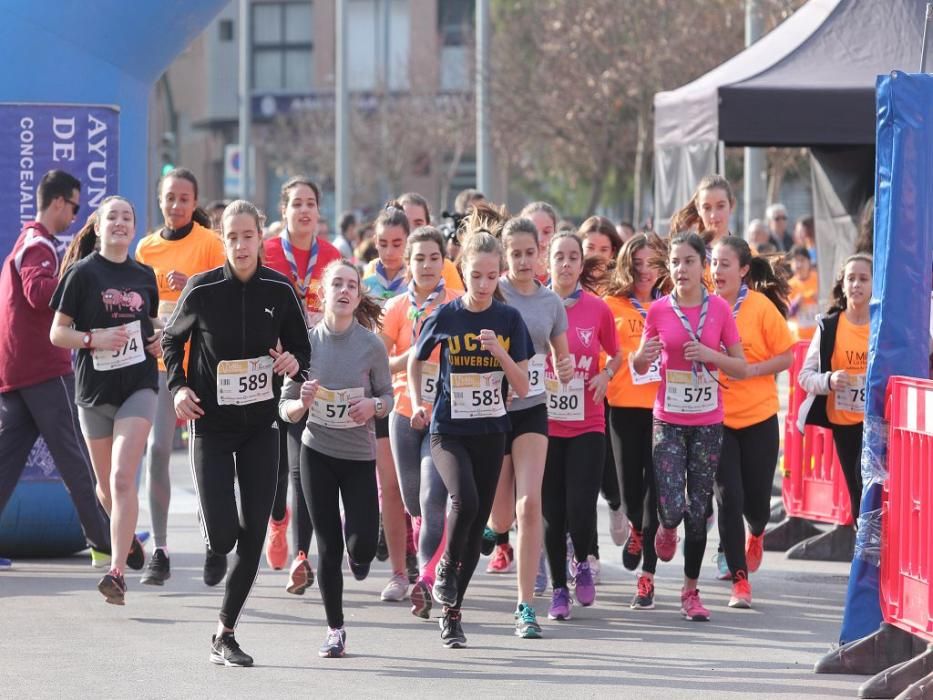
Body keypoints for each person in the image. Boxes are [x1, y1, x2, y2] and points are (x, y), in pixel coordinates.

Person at [163, 199, 310, 667]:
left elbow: (302, 351)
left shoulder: (279, 289)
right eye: (232, 237)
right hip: (210, 422)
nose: (241, 245)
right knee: (225, 536)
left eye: (248, 236)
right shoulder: (204, 290)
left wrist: (293, 365)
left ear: (260, 238)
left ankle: (225, 632)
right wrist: (178, 387)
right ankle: (212, 540)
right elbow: (171, 340)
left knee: (252, 536)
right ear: (222, 240)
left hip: (260, 426)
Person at [408, 219, 533, 648]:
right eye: (475, 275)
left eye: (491, 275)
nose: (483, 284)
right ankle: (443, 569)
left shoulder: (509, 319)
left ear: (500, 274)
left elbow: (523, 386)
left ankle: (452, 613)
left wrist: (499, 351)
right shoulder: (446, 314)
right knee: (466, 499)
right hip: (448, 430)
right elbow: (414, 360)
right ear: (461, 271)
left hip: (492, 430)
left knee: (478, 522)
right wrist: (418, 400)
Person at [50, 196, 161, 604]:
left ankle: (116, 573)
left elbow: (153, 325)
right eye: (111, 217)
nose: (120, 223)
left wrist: (158, 338)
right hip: (94, 391)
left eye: (127, 217)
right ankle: (127, 539)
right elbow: (57, 333)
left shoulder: (144, 274)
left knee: (120, 477)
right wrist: (92, 338)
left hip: (138, 385)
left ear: (134, 229)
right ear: (98, 227)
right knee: (104, 487)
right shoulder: (81, 275)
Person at [0, 169, 111, 572]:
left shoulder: (27, 241)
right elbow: (37, 291)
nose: (75, 217)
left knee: (5, 463)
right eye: (74, 207)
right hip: (43, 370)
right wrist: (76, 287)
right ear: (59, 202)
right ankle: (105, 542)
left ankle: (107, 536)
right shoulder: (39, 244)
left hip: (17, 371)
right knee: (77, 459)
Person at [280, 259, 392, 659]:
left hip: (359, 456)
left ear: (359, 295)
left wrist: (373, 405)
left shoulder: (371, 345)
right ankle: (335, 629)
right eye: (337, 284)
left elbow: (388, 397)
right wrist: (302, 405)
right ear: (322, 293)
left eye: (351, 286)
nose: (344, 292)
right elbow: (285, 408)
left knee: (361, 548)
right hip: (317, 452)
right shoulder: (305, 345)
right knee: (327, 547)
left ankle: (360, 556)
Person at [631, 231, 745, 622]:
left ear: (703, 266)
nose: (681, 269)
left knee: (699, 509)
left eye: (689, 262)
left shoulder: (720, 311)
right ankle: (666, 525)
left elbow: (741, 366)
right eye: (675, 262)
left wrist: (710, 354)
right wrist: (640, 357)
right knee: (672, 505)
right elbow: (641, 367)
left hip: (708, 422)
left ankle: (690, 591)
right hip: (668, 419)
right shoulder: (659, 311)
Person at [135, 168, 226, 587]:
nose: (176, 205)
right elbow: (138, 308)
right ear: (160, 200)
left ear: (195, 203)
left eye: (184, 198)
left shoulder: (210, 244)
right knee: (157, 452)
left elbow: (230, 298)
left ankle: (214, 542)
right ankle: (161, 548)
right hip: (161, 366)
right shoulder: (146, 248)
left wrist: (192, 285)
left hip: (204, 367)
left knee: (206, 460)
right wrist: (151, 331)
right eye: (170, 197)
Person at [488, 217, 573, 637]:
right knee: (502, 517)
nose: (523, 260)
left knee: (529, 505)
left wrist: (567, 364)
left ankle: (525, 607)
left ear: (540, 252)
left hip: (533, 408)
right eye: (515, 253)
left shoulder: (551, 302)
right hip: (492, 411)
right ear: (506, 255)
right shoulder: (494, 294)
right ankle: (493, 529)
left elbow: (561, 355)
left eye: (529, 252)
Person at [262, 176, 341, 595]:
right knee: (276, 464)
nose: (304, 210)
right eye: (296, 204)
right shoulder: (268, 252)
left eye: (311, 203)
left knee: (301, 462)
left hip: (313, 368)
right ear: (284, 211)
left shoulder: (331, 256)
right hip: (271, 366)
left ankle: (301, 556)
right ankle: (277, 520)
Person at [380, 226, 462, 619]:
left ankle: (428, 579)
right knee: (411, 497)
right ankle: (424, 548)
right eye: (419, 259)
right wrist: (413, 355)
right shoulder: (395, 308)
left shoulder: (457, 305)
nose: (427, 265)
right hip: (403, 409)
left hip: (443, 415)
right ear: (408, 264)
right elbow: (379, 363)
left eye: (434, 258)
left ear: (443, 262)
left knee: (433, 497)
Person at [710, 237, 794, 608]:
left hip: (759, 417)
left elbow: (788, 356)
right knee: (728, 497)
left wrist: (753, 370)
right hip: (717, 419)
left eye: (725, 264)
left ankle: (756, 532)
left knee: (756, 504)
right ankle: (739, 581)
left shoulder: (759, 307)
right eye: (713, 263)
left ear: (744, 270)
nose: (716, 271)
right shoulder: (702, 307)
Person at [542, 231, 621, 621]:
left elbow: (617, 355)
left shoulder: (598, 309)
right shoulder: (535, 306)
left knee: (580, 505)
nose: (567, 264)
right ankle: (559, 588)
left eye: (574, 257)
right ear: (548, 261)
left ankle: (584, 561)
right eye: (560, 257)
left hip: (588, 420)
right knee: (552, 512)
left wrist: (606, 374)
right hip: (544, 424)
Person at [604, 233, 668, 610]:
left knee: (655, 494)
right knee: (630, 493)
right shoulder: (610, 306)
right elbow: (601, 356)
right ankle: (635, 529)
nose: (645, 271)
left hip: (666, 409)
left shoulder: (671, 306)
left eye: (652, 263)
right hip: (624, 406)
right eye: (638, 263)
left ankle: (648, 578)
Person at [361, 204, 416, 599]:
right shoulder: (365, 281)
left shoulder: (431, 277)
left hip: (425, 396)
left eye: (398, 243)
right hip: (380, 391)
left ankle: (427, 558)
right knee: (390, 484)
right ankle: (400, 568)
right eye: (383, 243)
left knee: (423, 488)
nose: (390, 252)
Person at [798, 253, 872, 521]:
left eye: (863, 279)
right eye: (851, 278)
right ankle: (863, 548)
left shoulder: (882, 325)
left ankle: (871, 548)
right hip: (843, 420)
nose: (856, 285)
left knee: (865, 479)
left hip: (875, 422)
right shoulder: (829, 326)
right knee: (856, 490)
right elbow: (805, 376)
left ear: (874, 285)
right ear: (842, 285)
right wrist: (828, 380)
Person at [577, 215, 626, 572]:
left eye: (604, 249)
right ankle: (588, 551)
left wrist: (609, 371)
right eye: (589, 248)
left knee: (607, 471)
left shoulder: (619, 293)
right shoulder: (565, 289)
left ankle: (616, 502)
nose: (597, 255)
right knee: (580, 479)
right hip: (573, 391)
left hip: (615, 392)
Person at [396, 192, 464, 291]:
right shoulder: (379, 267)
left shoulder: (446, 267)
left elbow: (457, 303)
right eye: (405, 223)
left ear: (428, 225)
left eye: (418, 223)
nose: (411, 230)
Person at [519, 201, 559, 285]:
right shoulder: (506, 283)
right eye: (533, 232)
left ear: (556, 233)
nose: (540, 239)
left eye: (546, 232)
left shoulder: (568, 279)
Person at [787, 245, 819, 341]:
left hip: (818, 337)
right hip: (799, 338)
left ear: (809, 262)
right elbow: (786, 314)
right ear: (791, 264)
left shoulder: (819, 280)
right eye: (796, 261)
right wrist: (795, 304)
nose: (799, 264)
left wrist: (820, 298)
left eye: (802, 260)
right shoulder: (789, 286)